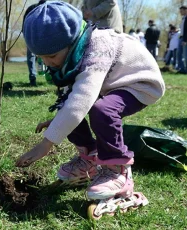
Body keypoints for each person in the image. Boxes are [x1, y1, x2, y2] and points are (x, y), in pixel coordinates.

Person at [16, 1, 164, 216]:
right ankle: (90, 160)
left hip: (139, 83)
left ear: (71, 41)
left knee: (102, 110)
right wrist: (58, 123)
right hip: (111, 83)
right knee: (66, 109)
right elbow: (70, 102)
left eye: (52, 56)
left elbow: (82, 98)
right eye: (41, 59)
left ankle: (118, 171)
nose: (48, 63)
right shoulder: (73, 52)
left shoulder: (97, 48)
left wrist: (46, 144)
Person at [23, 1, 46, 87]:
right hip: (31, 35)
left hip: (44, 36)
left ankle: (51, 77)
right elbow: (24, 25)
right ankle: (32, 79)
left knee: (50, 54)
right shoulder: (31, 9)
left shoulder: (49, 9)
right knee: (31, 57)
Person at [177, 5, 187, 74]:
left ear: (186, 10)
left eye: (181, 11)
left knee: (185, 55)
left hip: (185, 38)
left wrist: (185, 40)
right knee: (179, 54)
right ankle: (181, 68)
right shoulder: (183, 18)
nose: (180, 12)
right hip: (181, 37)